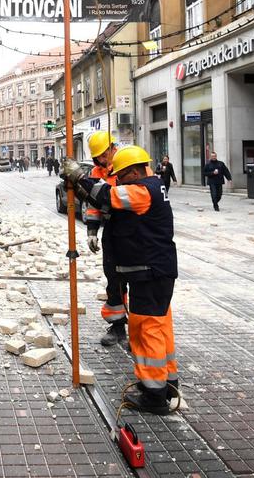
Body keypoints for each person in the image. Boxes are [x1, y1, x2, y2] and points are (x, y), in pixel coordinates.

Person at [62, 145, 179, 415]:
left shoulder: (141, 190)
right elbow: (103, 200)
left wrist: (79, 176)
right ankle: (167, 382)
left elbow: (107, 194)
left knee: (145, 330)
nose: (120, 181)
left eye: (122, 176)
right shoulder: (153, 185)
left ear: (135, 172)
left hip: (148, 271)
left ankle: (153, 395)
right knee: (161, 327)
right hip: (157, 270)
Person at [84, 131, 125, 347]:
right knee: (114, 279)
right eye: (97, 156)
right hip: (111, 230)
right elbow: (93, 203)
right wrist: (92, 231)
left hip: (131, 229)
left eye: (103, 154)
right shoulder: (96, 171)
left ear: (112, 148)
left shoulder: (125, 164)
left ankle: (139, 330)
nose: (101, 159)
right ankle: (117, 326)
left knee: (137, 282)